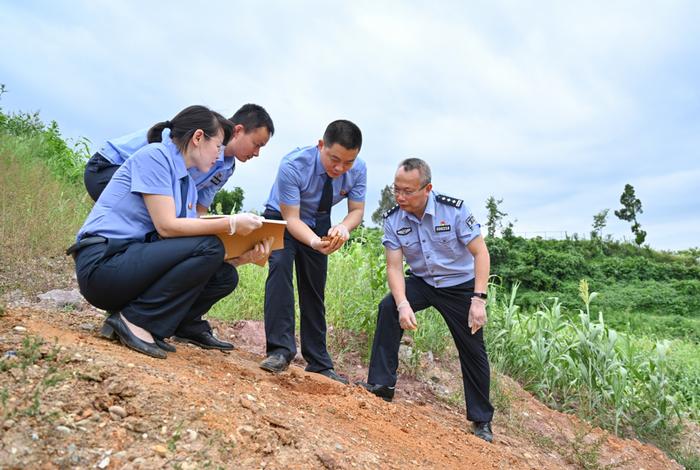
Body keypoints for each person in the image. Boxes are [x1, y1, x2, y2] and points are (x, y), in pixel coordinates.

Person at [68, 105, 272, 359]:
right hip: (102, 264)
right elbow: (167, 227)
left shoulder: (186, 185)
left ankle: (155, 324)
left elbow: (189, 251)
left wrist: (242, 258)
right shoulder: (155, 156)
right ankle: (134, 320)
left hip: (127, 263)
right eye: (217, 146)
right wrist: (231, 223)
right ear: (198, 138)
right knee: (209, 245)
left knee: (224, 275)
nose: (219, 155)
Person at [357, 158, 495, 443]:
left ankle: (481, 420)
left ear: (427, 188)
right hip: (422, 281)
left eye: (408, 191)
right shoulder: (394, 217)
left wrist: (478, 299)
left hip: (459, 286)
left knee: (472, 346)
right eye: (396, 190)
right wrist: (403, 304)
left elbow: (481, 253)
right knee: (388, 307)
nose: (400, 197)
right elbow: (394, 267)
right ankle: (381, 385)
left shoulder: (453, 210)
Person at [260, 120, 366, 384]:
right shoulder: (293, 165)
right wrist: (315, 243)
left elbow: (356, 211)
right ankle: (280, 351)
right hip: (283, 218)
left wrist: (342, 228)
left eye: (348, 162)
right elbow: (292, 219)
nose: (340, 168)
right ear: (321, 145)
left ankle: (318, 362)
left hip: (320, 220)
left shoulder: (359, 169)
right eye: (334, 159)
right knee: (281, 269)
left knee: (314, 287)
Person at [83, 103, 274, 214]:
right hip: (109, 167)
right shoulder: (203, 131)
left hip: (147, 185)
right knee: (158, 218)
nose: (256, 153)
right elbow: (157, 173)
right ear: (239, 131)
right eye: (257, 144)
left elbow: (198, 208)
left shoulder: (226, 168)